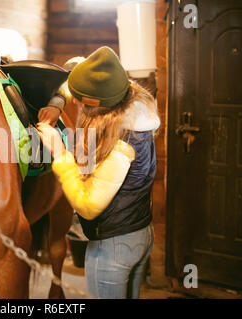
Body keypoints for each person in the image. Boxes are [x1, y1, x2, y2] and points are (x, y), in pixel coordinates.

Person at [36, 46, 160, 299]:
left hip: (113, 246)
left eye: (81, 102)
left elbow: (87, 205)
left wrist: (60, 153)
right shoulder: (126, 97)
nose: (77, 103)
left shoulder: (122, 145)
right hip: (139, 233)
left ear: (96, 105)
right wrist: (58, 103)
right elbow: (79, 71)